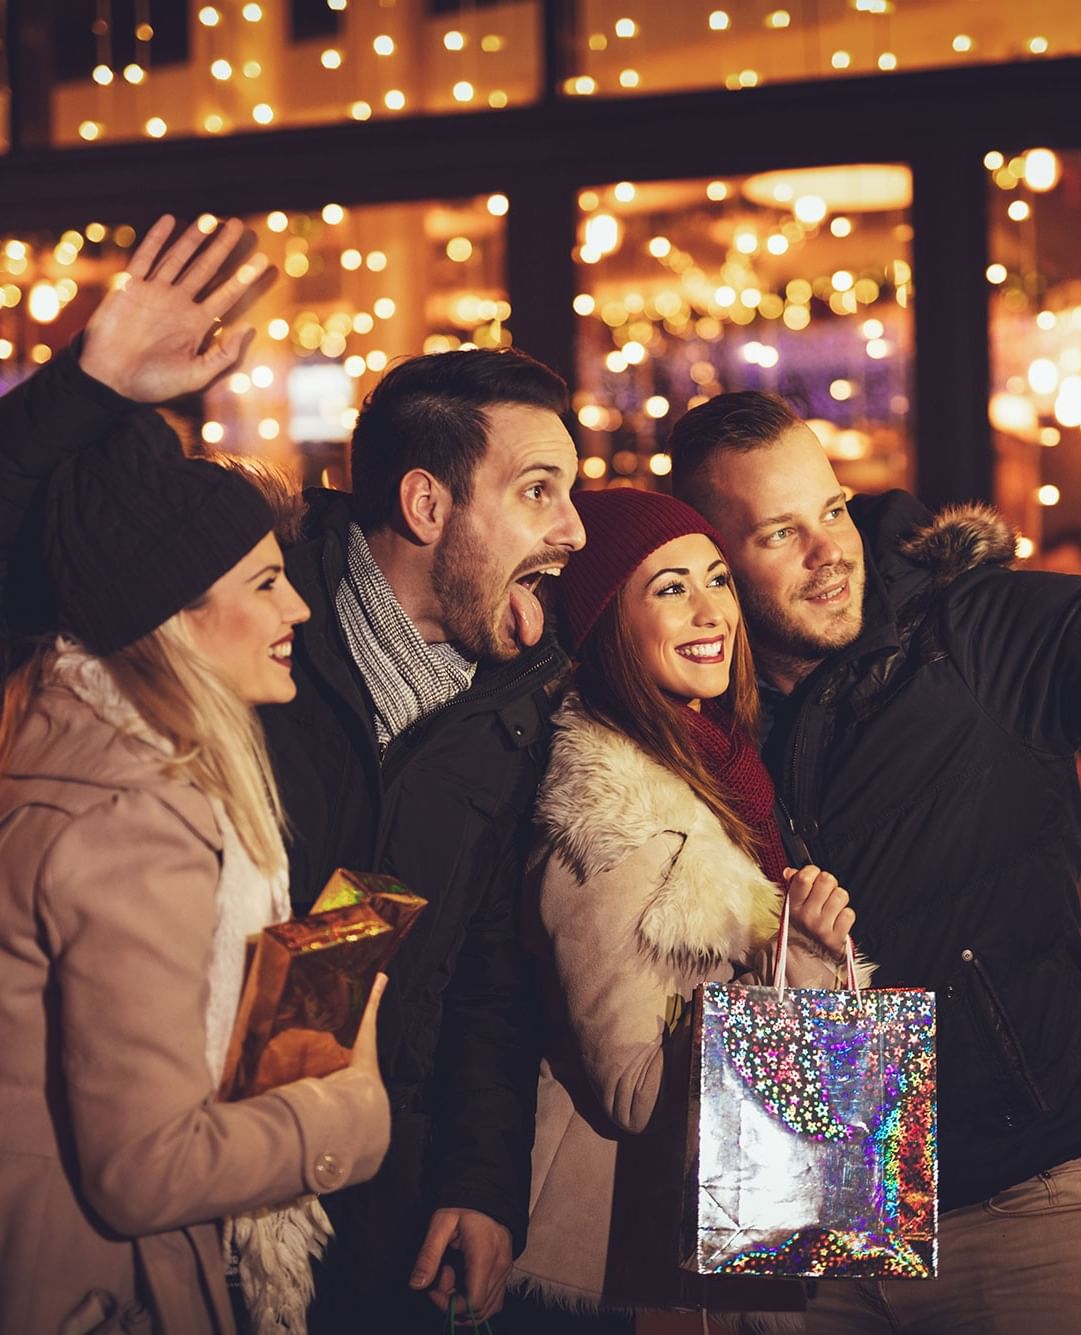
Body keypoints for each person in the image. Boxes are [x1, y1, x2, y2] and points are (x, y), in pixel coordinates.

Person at [0, 214, 586, 1331]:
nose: (571, 530)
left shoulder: (525, 697)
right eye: (539, 490)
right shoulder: (222, 615)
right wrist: (88, 384)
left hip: (386, 1224)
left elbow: (483, 980)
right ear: (427, 505)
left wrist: (476, 1179)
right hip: (180, 1225)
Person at [666, 390, 1081, 1334]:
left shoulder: (974, 637)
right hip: (793, 1187)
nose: (829, 551)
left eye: (831, 509)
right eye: (781, 533)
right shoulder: (680, 703)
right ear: (714, 562)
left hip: (1014, 1203)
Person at [0, 415, 390, 1334]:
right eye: (263, 582)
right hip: (100, 1293)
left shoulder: (90, 755)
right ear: (171, 615)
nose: (297, 607)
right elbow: (146, 1168)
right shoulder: (132, 817)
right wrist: (349, 1115)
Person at [508, 489, 867, 1332]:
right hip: (643, 1276)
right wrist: (797, 961)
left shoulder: (725, 764)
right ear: (605, 623)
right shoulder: (616, 821)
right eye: (669, 588)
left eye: (716, 579)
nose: (712, 610)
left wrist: (797, 951)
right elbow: (633, 1091)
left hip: (719, 1248)